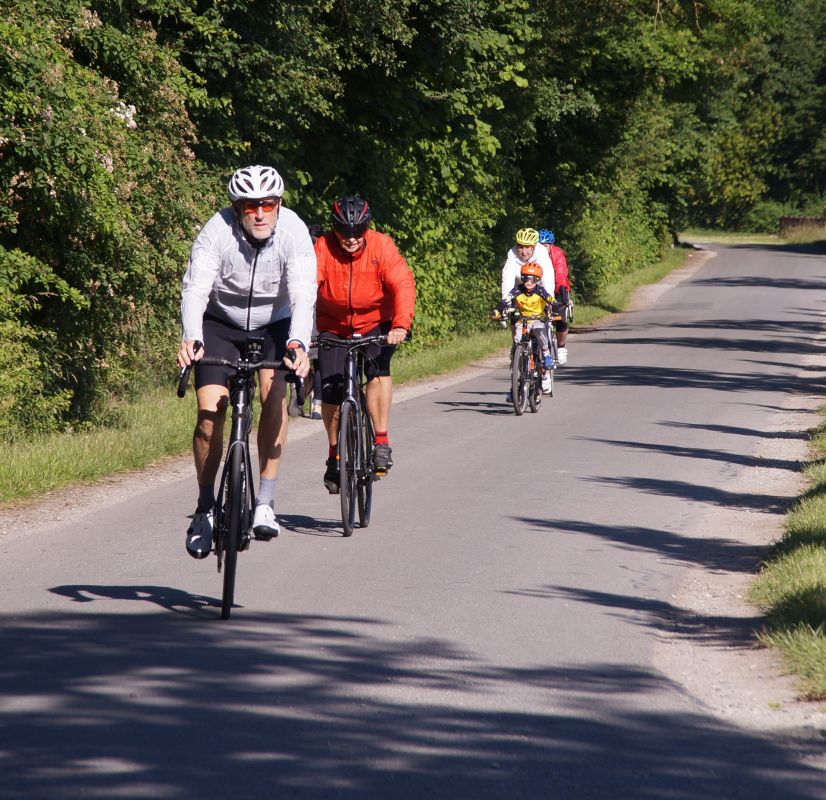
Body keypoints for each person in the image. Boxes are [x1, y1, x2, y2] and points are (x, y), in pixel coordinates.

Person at [177, 165, 316, 558]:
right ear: (237, 209)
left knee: (274, 396)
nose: (259, 213)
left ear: (279, 205)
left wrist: (298, 343)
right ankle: (205, 508)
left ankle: (265, 502)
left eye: (267, 205)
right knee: (209, 415)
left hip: (275, 324)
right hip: (221, 322)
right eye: (250, 206)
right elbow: (196, 289)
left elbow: (303, 294)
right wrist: (192, 335)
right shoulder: (216, 232)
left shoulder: (294, 232)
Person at [314, 196, 416, 493]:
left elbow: (403, 284)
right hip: (333, 325)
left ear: (367, 228)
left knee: (377, 371)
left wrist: (400, 325)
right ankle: (335, 453)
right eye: (344, 232)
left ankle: (381, 440)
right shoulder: (323, 247)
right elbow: (306, 285)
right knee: (330, 391)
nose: (351, 238)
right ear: (334, 229)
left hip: (376, 322)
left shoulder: (381, 246)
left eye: (358, 231)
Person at [496, 262, 555, 394]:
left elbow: (552, 301)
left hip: (538, 319)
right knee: (517, 343)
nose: (528, 282)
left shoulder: (540, 291)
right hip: (523, 320)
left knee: (540, 333)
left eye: (532, 279)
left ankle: (546, 356)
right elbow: (506, 300)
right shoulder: (517, 290)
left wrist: (556, 310)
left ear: (537, 280)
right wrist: (497, 310)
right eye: (525, 278)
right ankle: (519, 370)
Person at [538, 228, 571, 365]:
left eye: (545, 246)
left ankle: (561, 347)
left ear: (551, 245)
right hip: (538, 289)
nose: (543, 249)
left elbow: (561, 274)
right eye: (540, 245)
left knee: (560, 318)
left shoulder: (557, 254)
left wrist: (562, 294)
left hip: (558, 287)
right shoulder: (533, 253)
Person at [501, 228, 555, 301]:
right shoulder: (512, 253)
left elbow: (547, 278)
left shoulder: (542, 252)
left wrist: (550, 299)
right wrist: (505, 299)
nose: (524, 252)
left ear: (534, 246)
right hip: (519, 288)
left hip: (538, 288)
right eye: (520, 247)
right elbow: (508, 277)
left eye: (527, 247)